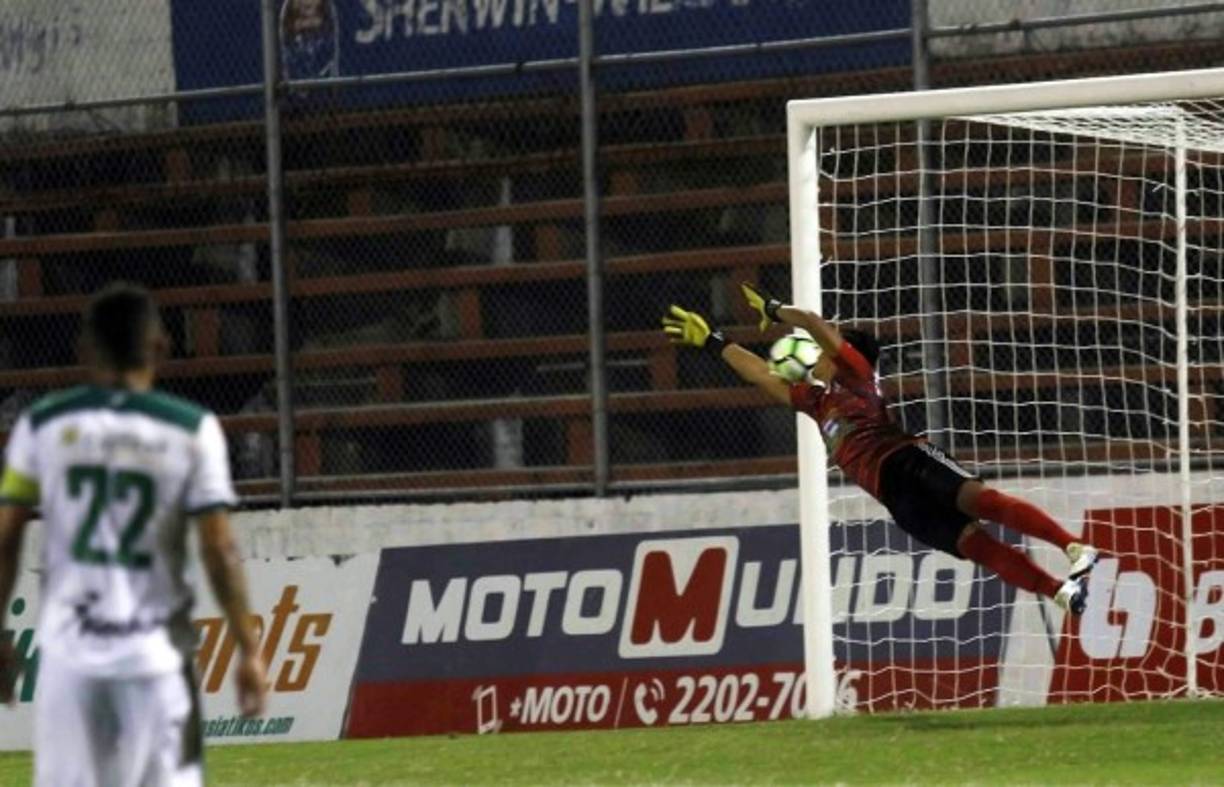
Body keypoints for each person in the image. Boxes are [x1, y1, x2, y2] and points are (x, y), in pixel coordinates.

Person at [662, 282, 1101, 613]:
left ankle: (1073, 548)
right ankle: (1061, 593)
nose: (814, 351)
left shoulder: (856, 374)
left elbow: (814, 322)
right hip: (895, 498)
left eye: (821, 349)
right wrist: (713, 341)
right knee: (977, 547)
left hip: (908, 460)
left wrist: (776, 310)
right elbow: (761, 374)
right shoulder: (817, 403)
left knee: (981, 500)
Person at [0, 283, 267, 786]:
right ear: (161, 347)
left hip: (71, 662)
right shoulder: (193, 428)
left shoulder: (40, 425)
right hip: (155, 661)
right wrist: (248, 650)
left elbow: (6, 539)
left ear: (84, 350)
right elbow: (220, 548)